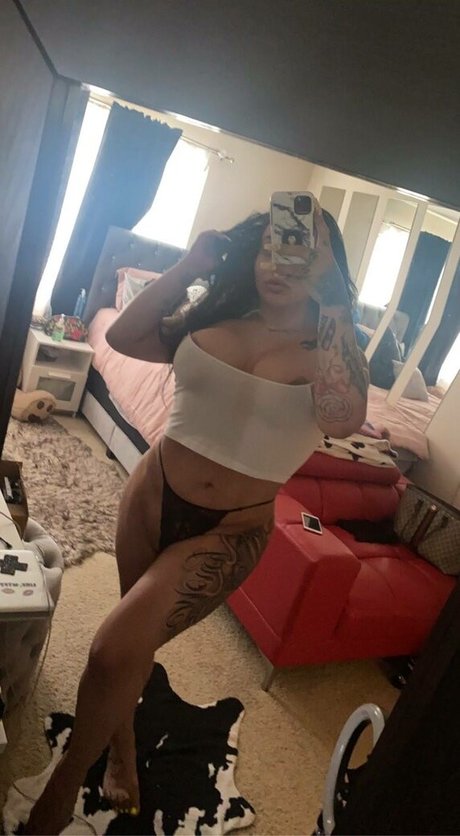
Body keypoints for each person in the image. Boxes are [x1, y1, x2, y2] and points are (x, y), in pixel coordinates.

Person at [25, 202, 368, 834]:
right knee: (132, 641)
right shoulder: (218, 314)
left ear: (325, 267)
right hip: (150, 493)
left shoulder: (332, 346)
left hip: (227, 530)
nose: (278, 265)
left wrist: (336, 301)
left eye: (298, 254)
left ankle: (64, 785)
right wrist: (190, 265)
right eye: (269, 248)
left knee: (112, 650)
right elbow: (123, 338)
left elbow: (345, 419)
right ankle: (123, 746)